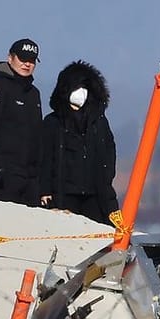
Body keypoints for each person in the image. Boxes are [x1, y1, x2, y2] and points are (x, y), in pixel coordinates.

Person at [36, 61, 120, 225]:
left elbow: (109, 152)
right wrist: (45, 190)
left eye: (84, 87)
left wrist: (107, 178)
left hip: (95, 194)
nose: (80, 92)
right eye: (76, 87)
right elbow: (44, 158)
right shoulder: (53, 122)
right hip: (64, 194)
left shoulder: (99, 122)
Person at [0, 38, 44, 206]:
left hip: (30, 174)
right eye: (22, 59)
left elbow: (37, 134)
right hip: (4, 173)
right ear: (10, 58)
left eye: (31, 61)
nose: (27, 64)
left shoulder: (33, 93)